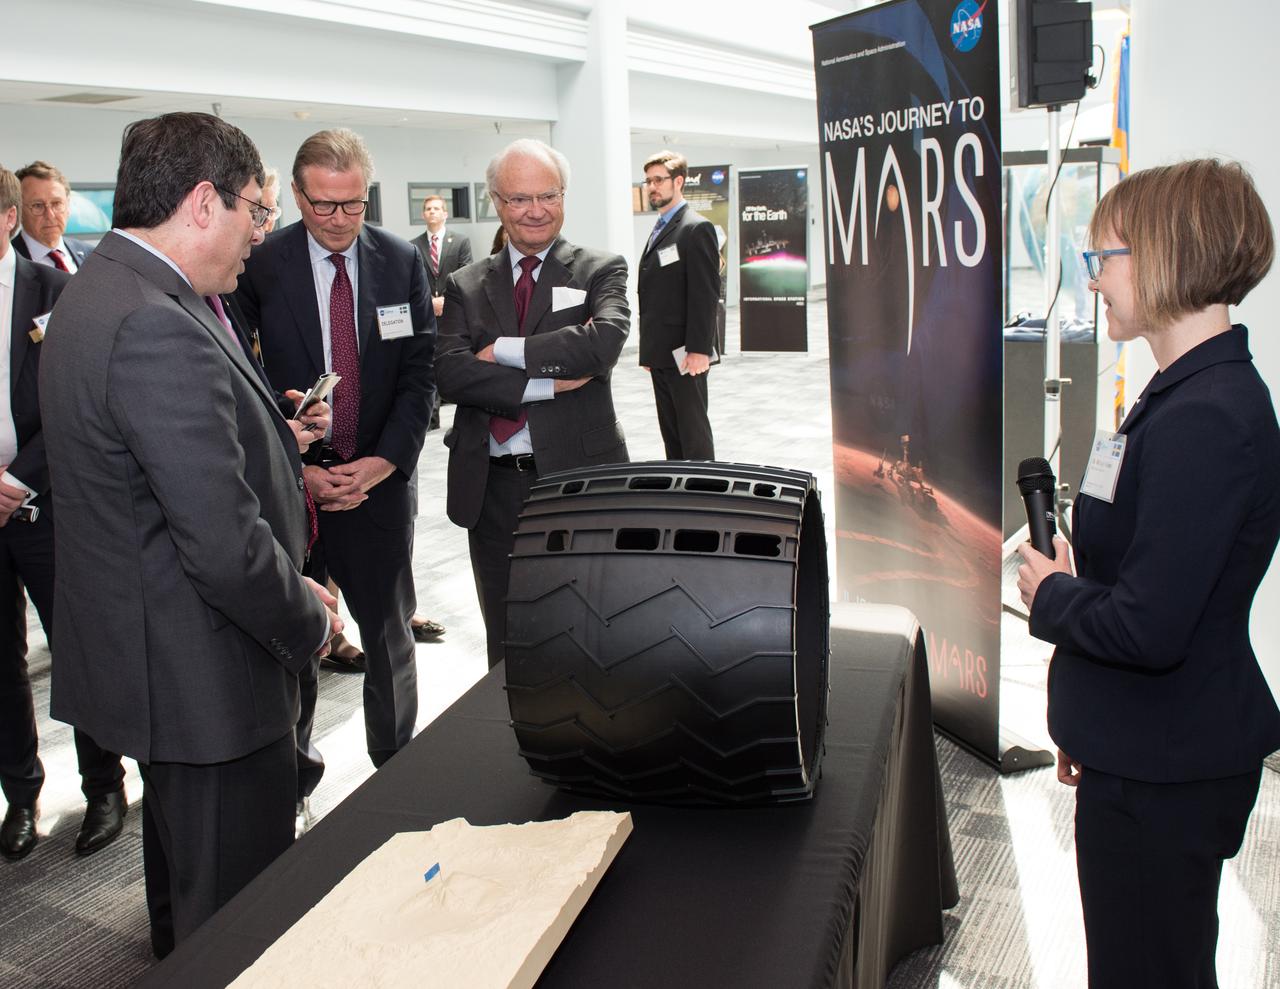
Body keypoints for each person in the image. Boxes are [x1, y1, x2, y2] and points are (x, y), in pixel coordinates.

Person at [38, 112, 339, 955]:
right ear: (206, 201)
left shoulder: (106, 290)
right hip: (207, 678)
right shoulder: (155, 322)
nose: (259, 235)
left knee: (185, 896)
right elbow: (222, 544)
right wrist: (308, 616)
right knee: (237, 924)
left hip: (158, 658)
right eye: (256, 211)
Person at [1017, 158, 1280, 989]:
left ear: (1167, 254)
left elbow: (1149, 626)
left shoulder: (1206, 417)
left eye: (1104, 259)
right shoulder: (1180, 392)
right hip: (1140, 744)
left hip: (1169, 767)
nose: (1093, 281)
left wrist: (1049, 595)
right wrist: (1091, 728)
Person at [235, 128, 435, 789]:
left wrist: (385, 463)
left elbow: (418, 371)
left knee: (387, 637)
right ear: (295, 195)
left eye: (354, 204)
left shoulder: (400, 260)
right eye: (324, 206)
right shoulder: (261, 265)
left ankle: (397, 769)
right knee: (292, 641)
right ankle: (293, 775)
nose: (341, 220)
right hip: (295, 489)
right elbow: (238, 377)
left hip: (376, 483)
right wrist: (298, 470)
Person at [436, 138, 629, 669]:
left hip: (579, 478)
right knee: (507, 634)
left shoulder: (600, 269)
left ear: (564, 195)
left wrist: (500, 352)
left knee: (591, 622)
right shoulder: (466, 284)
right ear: (496, 202)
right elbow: (450, 373)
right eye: (520, 199)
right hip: (492, 484)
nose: (536, 210)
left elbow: (603, 342)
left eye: (548, 195)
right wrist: (542, 382)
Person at [0, 166, 128, 861]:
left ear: (5, 218)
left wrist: (19, 479)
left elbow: (78, 401)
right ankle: (21, 794)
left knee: (78, 649)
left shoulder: (56, 291)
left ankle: (104, 785)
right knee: (1, 666)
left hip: (47, 504)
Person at [637, 149, 720, 461]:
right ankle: (680, 494)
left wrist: (699, 349)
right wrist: (650, 349)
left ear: (679, 181)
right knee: (671, 431)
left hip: (687, 353)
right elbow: (658, 293)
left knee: (693, 433)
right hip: (662, 352)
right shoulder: (662, 226)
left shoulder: (695, 228)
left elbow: (705, 293)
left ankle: (705, 495)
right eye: (648, 181)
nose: (652, 187)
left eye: (659, 180)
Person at [12, 161, 93, 272]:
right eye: (38, 206)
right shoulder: (7, 262)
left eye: (56, 204)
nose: (50, 215)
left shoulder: (91, 255)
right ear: (18, 211)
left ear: (68, 205)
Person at [411, 194, 474, 320]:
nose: (432, 211)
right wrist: (430, 302)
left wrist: (445, 299)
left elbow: (466, 275)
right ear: (423, 215)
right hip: (425, 311)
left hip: (455, 309)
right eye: (428, 209)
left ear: (445, 214)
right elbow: (411, 279)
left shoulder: (461, 241)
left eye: (436, 208)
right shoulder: (413, 246)